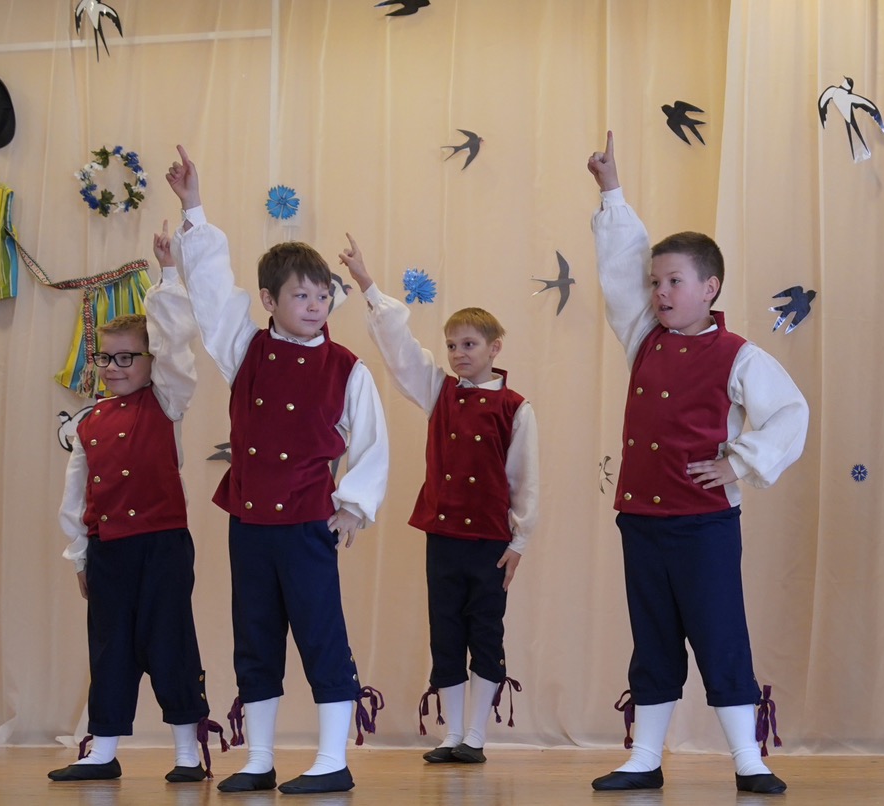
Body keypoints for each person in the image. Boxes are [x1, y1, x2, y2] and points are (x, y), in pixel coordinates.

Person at [587, 132, 809, 795]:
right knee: (652, 639)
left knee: (719, 635)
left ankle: (748, 760)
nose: (659, 292)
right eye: (656, 283)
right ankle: (644, 758)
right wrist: (611, 192)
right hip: (641, 519)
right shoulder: (643, 338)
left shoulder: (739, 354)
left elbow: (789, 413)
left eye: (674, 282)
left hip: (704, 524)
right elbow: (620, 265)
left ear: (710, 287)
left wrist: (739, 463)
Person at [167, 146, 388, 795]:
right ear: (268, 298)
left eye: (323, 295)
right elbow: (212, 294)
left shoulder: (347, 368)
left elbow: (372, 441)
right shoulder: (246, 348)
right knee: (255, 638)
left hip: (308, 524)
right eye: (301, 295)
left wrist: (354, 504)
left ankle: (332, 761)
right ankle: (259, 759)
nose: (316, 305)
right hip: (249, 521)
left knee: (322, 636)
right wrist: (193, 208)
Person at [338, 234, 538, 765]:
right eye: (451, 346)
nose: (457, 354)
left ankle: (476, 734)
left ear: (495, 347)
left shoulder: (515, 408)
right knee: (445, 632)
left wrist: (519, 540)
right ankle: (451, 734)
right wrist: (367, 284)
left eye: (468, 345)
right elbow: (401, 351)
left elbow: (524, 479)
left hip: (490, 542)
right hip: (443, 536)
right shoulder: (439, 391)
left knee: (485, 633)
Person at [49, 224, 211, 783]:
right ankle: (102, 751)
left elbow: (177, 345)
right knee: (109, 648)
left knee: (170, 642)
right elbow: (77, 496)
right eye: (106, 358)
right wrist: (80, 555)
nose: (114, 367)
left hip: (162, 545)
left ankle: (187, 753)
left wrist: (167, 274)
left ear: (150, 360)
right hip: (109, 550)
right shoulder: (88, 422)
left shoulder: (167, 400)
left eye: (127, 358)